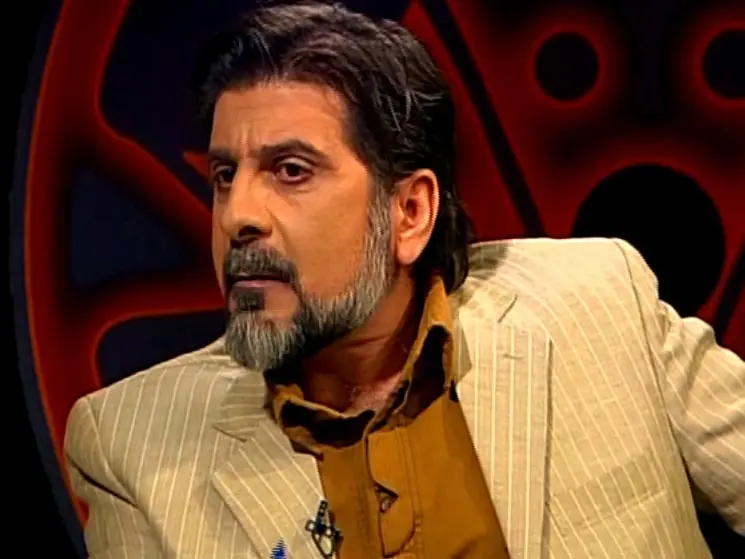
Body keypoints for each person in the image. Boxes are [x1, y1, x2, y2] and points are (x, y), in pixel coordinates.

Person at [63, 2, 745, 558]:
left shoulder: (596, 303)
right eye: (224, 176)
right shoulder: (131, 445)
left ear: (409, 212)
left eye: (291, 171)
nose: (237, 215)